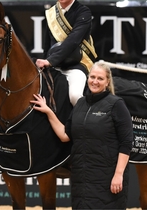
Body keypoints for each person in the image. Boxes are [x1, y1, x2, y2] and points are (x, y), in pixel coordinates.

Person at [30, 60, 133, 209]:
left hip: (107, 179)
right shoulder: (80, 104)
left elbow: (126, 142)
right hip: (81, 179)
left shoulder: (116, 104)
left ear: (107, 82)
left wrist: (118, 175)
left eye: (100, 78)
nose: (95, 81)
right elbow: (65, 135)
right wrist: (48, 111)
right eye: (92, 77)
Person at [35, 0, 97, 106]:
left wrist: (49, 61)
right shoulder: (52, 13)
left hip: (76, 65)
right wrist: (46, 62)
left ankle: (81, 125)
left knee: (75, 96)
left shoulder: (83, 12)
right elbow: (48, 44)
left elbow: (73, 41)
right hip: (55, 66)